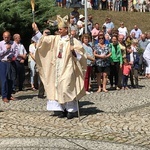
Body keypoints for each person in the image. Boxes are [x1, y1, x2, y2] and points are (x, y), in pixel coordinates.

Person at [34, 15, 87, 119]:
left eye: (61, 29)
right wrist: (36, 31)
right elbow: (44, 40)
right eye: (58, 29)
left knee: (67, 87)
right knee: (58, 87)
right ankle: (62, 109)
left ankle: (71, 110)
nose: (59, 30)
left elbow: (81, 55)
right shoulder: (56, 39)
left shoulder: (72, 40)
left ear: (66, 29)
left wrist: (74, 51)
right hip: (57, 68)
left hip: (68, 67)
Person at [0, 31, 18, 103]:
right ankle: (4, 96)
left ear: (10, 37)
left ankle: (9, 95)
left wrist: (14, 57)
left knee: (10, 80)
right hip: (3, 63)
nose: (6, 38)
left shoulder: (13, 43)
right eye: (5, 37)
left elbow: (16, 52)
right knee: (4, 80)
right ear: (3, 37)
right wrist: (5, 49)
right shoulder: (0, 44)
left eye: (7, 37)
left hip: (11, 63)